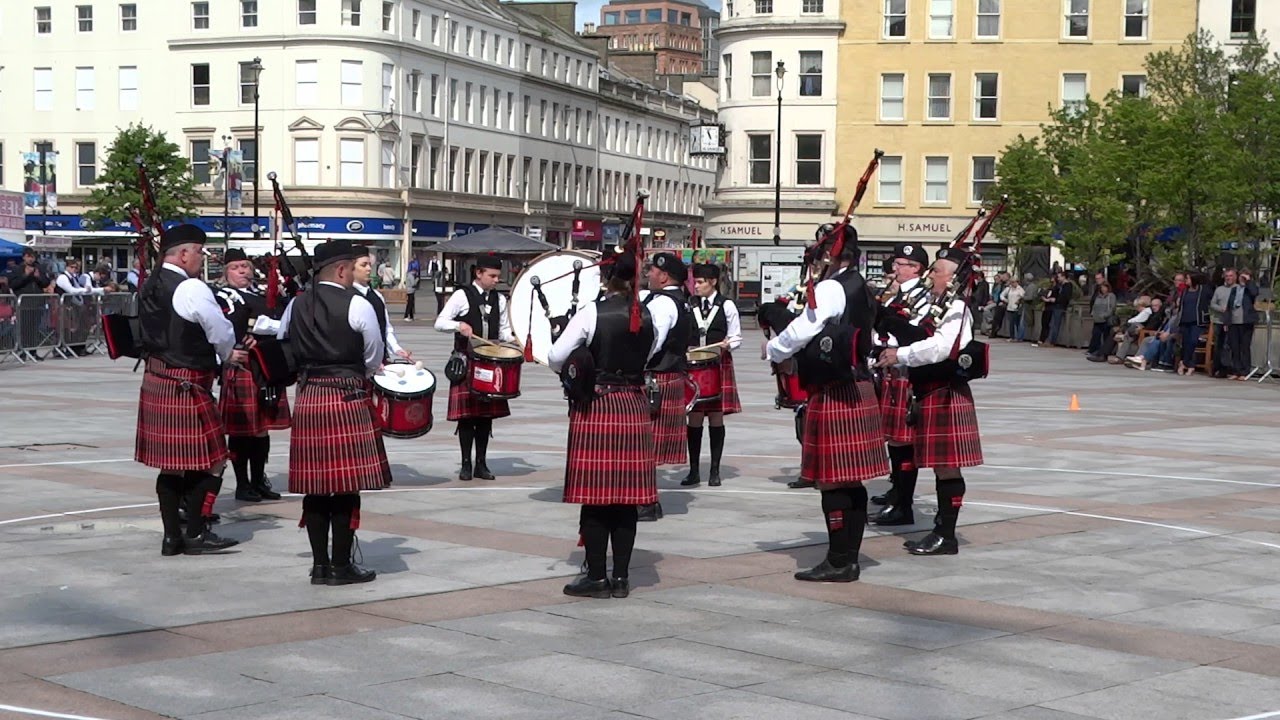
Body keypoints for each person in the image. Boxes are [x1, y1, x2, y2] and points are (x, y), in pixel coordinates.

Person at [766, 225, 888, 582]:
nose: (816, 262)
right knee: (851, 481)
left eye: (820, 254)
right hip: (858, 384)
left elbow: (807, 326)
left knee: (833, 481)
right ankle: (847, 558)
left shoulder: (833, 286)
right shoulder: (861, 285)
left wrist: (774, 349)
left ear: (831, 255)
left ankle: (839, 561)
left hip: (836, 388)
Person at [548, 249, 658, 599]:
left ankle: (596, 577)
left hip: (598, 404)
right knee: (626, 500)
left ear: (605, 278)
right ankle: (622, 578)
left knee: (596, 498)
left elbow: (555, 357)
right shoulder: (649, 315)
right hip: (633, 405)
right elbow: (651, 354)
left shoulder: (591, 312)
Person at [277, 239, 388, 586]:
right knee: (344, 488)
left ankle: (320, 566)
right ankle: (340, 567)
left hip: (310, 397)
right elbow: (373, 355)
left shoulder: (296, 304)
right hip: (346, 396)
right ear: (341, 270)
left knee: (315, 487)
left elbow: (283, 343)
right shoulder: (357, 304)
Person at [134, 224, 243, 556]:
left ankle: (171, 538)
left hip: (157, 379)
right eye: (199, 251)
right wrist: (226, 355)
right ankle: (195, 532)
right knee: (214, 462)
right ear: (183, 253)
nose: (201, 258)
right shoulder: (191, 288)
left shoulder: (149, 286)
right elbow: (221, 332)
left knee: (171, 465)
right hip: (187, 382)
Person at [875, 248, 984, 556]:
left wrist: (901, 354)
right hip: (928, 390)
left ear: (952, 278)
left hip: (946, 391)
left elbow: (942, 348)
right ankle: (940, 528)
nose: (930, 275)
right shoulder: (936, 305)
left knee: (947, 467)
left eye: (936, 270)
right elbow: (916, 334)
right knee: (940, 467)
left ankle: (945, 534)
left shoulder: (958, 308)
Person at [214, 249, 289, 503]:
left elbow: (279, 317)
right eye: (236, 267)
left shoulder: (262, 294)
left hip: (266, 366)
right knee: (241, 430)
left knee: (261, 429)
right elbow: (236, 324)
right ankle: (242, 484)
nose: (243, 271)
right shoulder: (224, 296)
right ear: (226, 272)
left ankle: (258, 480)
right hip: (242, 366)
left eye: (245, 266)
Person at [435, 255, 514, 481]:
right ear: (478, 273)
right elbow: (439, 322)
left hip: (490, 362)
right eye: (492, 276)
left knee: (485, 417)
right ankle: (466, 464)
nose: (496, 280)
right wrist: (458, 325)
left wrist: (516, 338)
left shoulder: (500, 300)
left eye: (498, 276)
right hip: (466, 362)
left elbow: (503, 331)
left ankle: (481, 463)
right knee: (467, 416)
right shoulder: (462, 295)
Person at [869, 242, 931, 528]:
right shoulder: (900, 293)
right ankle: (897, 493)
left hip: (906, 369)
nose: (894, 268)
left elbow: (918, 333)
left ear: (915, 267)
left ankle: (903, 504)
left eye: (900, 264)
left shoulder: (922, 296)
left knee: (904, 440)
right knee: (895, 439)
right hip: (889, 368)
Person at [638, 252, 691, 520]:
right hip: (667, 378)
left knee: (644, 445)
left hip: (656, 379)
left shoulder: (663, 304)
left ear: (664, 275)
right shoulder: (679, 301)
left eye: (652, 271)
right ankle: (648, 500)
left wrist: (634, 364)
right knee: (648, 445)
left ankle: (646, 502)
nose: (648, 274)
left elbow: (652, 340)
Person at [683, 263, 742, 488]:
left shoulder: (727, 306)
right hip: (693, 365)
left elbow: (736, 336)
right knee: (694, 418)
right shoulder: (689, 304)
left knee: (716, 417)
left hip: (718, 364)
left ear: (713, 282)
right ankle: (694, 471)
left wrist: (728, 345)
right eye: (694, 282)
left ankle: (715, 471)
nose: (695, 286)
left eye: (700, 282)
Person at [353, 247, 412, 362]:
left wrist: (396, 348)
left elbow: (386, 328)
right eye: (363, 265)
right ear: (351, 268)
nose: (369, 269)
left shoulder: (377, 296)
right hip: (357, 364)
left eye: (370, 264)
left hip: (380, 360)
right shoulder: (345, 297)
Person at [1086, 282, 1116, 360]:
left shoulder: (1111, 296)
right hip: (1097, 319)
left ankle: (1104, 353)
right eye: (1102, 288)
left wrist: (1105, 315)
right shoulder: (1098, 296)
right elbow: (1094, 306)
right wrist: (1093, 314)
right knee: (1096, 335)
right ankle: (1094, 350)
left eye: (1104, 287)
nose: (1103, 289)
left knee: (1106, 336)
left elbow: (1112, 308)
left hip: (1105, 319)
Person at [1004, 275, 1027, 343]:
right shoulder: (1009, 289)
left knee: (1017, 323)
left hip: (1016, 308)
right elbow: (1002, 295)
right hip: (1010, 307)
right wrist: (1006, 300)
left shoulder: (1020, 289)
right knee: (1011, 323)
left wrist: (1019, 301)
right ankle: (1012, 336)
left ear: (1017, 282)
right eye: (1011, 282)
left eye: (1013, 282)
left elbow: (1023, 296)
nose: (1012, 284)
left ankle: (1018, 337)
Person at [404, 257, 421, 321]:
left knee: (411, 303)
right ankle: (406, 315)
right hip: (410, 291)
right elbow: (413, 283)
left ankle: (411, 316)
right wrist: (417, 279)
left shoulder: (409, 275)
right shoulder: (411, 276)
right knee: (410, 304)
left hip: (410, 290)